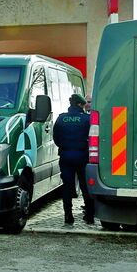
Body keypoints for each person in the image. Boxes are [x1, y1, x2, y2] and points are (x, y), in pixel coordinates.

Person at [52, 94, 94, 224]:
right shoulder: (87, 119)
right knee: (85, 186)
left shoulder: (61, 118)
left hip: (65, 156)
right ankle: (89, 215)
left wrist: (65, 147)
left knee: (67, 186)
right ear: (80, 105)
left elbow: (56, 138)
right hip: (82, 157)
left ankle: (68, 216)